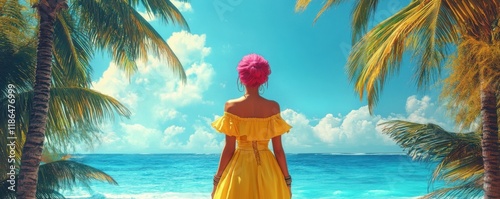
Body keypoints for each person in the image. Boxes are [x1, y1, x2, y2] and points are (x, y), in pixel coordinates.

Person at [211, 54, 292, 199]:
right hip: (268, 169)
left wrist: (217, 180)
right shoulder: (273, 107)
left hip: (240, 169)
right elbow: (278, 150)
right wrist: (287, 181)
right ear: (263, 79)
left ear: (241, 77)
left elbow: (229, 149)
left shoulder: (231, 107)